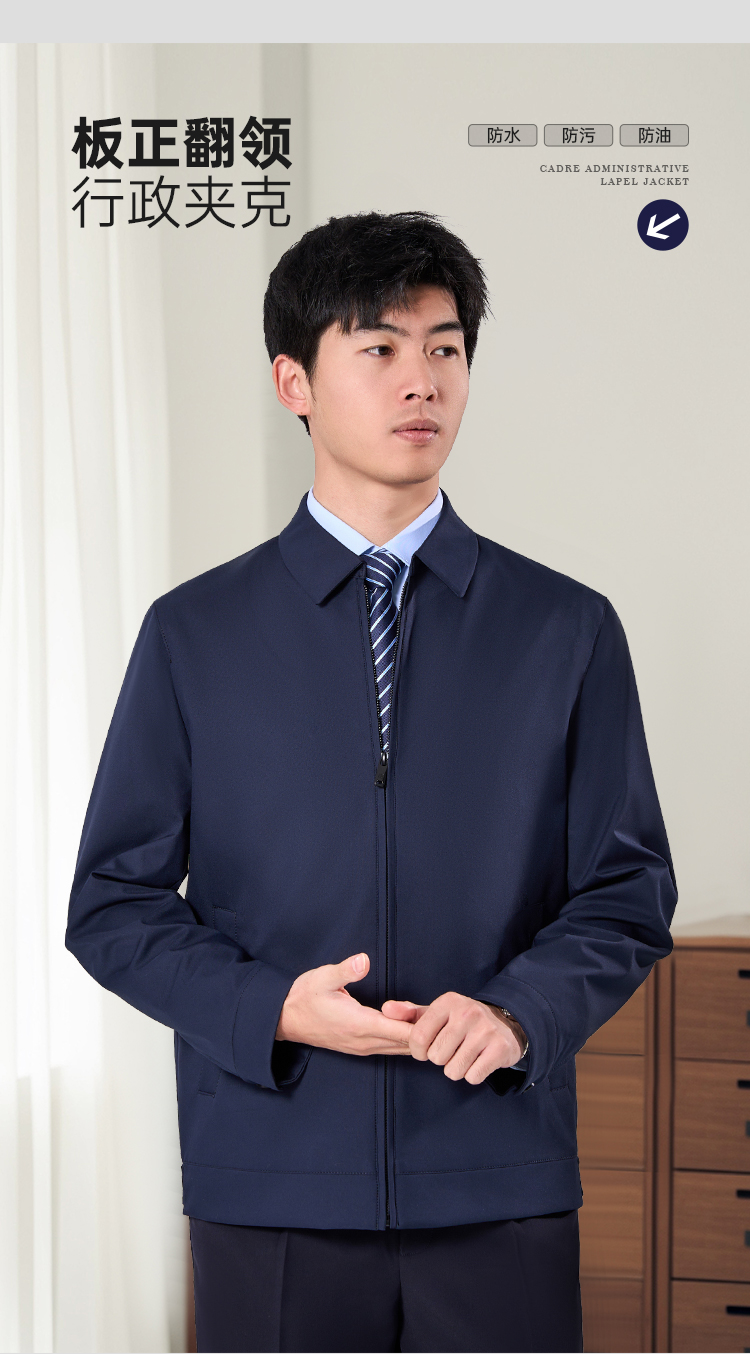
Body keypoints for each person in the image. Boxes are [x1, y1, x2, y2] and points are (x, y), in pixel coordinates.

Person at [65, 211, 676, 1353]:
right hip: (273, 1179)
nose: (422, 380)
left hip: (497, 1175)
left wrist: (518, 1013)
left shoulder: (566, 628)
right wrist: (270, 1010)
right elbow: (112, 903)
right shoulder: (194, 633)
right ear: (293, 381)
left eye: (446, 348)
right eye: (380, 347)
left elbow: (628, 890)